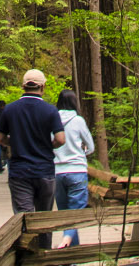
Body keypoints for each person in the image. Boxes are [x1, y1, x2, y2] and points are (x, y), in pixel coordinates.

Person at [0, 70, 66, 249]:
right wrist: (47, 144)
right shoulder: (50, 110)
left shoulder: (10, 109)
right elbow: (60, 139)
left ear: (23, 86)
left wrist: (16, 141)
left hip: (20, 172)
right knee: (44, 220)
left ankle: (25, 257)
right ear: (42, 87)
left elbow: (0, 139)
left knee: (24, 220)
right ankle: (44, 255)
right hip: (45, 172)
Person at [52, 90, 96, 249]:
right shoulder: (78, 121)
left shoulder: (52, 120)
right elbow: (91, 146)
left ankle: (71, 257)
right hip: (77, 170)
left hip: (57, 172)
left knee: (66, 215)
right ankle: (65, 242)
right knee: (76, 213)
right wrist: (80, 153)